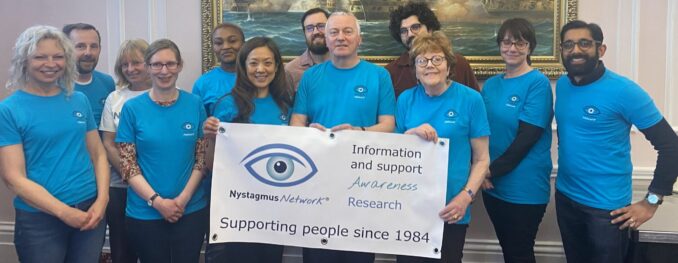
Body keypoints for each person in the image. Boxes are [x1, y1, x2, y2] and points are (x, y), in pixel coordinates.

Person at [554, 20, 678, 263]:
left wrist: (651, 202)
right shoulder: (564, 86)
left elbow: (671, 146)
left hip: (607, 211)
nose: (575, 50)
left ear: (601, 50)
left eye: (584, 43)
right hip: (566, 199)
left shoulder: (624, 91)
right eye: (568, 44)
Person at [290, 11, 396, 263]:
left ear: (360, 38)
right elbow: (296, 121)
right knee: (317, 255)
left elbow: (389, 125)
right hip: (316, 181)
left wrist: (357, 133)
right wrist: (308, 135)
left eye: (348, 31)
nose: (340, 37)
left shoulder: (379, 75)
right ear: (325, 40)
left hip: (362, 184)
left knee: (357, 255)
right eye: (334, 32)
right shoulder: (311, 77)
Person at [0, 25, 109, 263]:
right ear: (24, 61)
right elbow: (12, 177)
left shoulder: (78, 100)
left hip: (90, 210)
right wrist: (64, 212)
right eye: (40, 57)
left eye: (58, 56)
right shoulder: (9, 110)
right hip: (40, 219)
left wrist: (102, 200)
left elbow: (98, 154)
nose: (51, 63)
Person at [395, 31, 490, 263]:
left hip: (452, 208)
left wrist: (465, 197)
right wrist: (411, 134)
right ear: (415, 69)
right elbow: (394, 154)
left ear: (449, 65)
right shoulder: (405, 99)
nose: (430, 65)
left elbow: (482, 159)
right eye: (422, 61)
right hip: (411, 207)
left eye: (437, 59)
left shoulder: (470, 99)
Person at [115, 39, 208, 262]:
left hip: (190, 209)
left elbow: (201, 160)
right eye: (157, 65)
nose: (164, 71)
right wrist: (157, 202)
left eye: (170, 64)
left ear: (179, 66)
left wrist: (182, 200)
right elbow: (128, 166)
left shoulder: (195, 104)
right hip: (145, 211)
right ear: (148, 67)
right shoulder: (132, 109)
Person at [202, 36, 293, 263]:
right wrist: (211, 138)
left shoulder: (286, 107)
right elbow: (211, 166)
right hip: (234, 209)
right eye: (253, 63)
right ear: (243, 67)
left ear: (277, 67)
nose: (260, 69)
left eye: (268, 63)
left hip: (274, 209)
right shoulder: (226, 105)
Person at [479, 18, 552, 263]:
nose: (512, 48)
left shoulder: (538, 83)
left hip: (524, 187)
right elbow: (481, 131)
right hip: (493, 186)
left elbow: (526, 139)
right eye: (507, 42)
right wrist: (483, 171)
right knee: (509, 251)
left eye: (520, 43)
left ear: (530, 47)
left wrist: (489, 172)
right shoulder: (490, 85)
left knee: (519, 253)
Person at [99, 39, 151, 263]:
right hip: (120, 185)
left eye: (136, 62)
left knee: (153, 248)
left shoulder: (172, 94)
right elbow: (108, 142)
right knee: (122, 249)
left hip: (158, 184)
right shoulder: (115, 98)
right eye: (125, 64)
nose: (130, 69)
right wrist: (130, 174)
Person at [386, 2, 478, 98]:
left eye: (415, 27)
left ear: (430, 29)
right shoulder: (391, 72)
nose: (410, 34)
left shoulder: (460, 63)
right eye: (403, 31)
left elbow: (475, 104)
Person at [63, 23, 115, 125]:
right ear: (65, 50)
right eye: (80, 46)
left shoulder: (107, 83)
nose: (88, 53)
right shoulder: (55, 85)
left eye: (93, 46)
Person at [193, 23, 245, 115]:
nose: (225, 47)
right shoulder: (202, 83)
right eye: (218, 43)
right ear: (213, 47)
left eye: (232, 41)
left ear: (243, 44)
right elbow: (197, 122)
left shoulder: (258, 78)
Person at [285, 7, 331, 90]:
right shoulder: (290, 71)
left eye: (321, 26)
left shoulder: (344, 65)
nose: (316, 32)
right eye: (309, 28)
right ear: (304, 33)